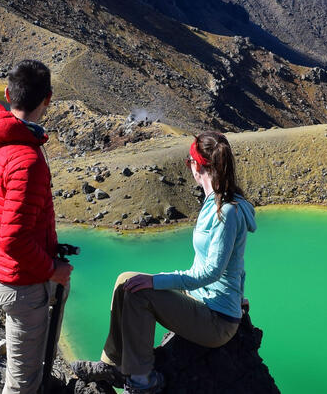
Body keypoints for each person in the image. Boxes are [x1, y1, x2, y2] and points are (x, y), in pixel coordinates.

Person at [71, 131, 257, 393]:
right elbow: (236, 261)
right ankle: (113, 363)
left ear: (196, 165)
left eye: (188, 162)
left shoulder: (226, 211)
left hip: (218, 320)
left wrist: (156, 281)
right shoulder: (214, 201)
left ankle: (142, 380)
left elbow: (211, 272)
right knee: (126, 280)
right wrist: (238, 294)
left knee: (140, 294)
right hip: (202, 299)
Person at [0, 59, 73, 394]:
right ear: (48, 99)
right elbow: (14, 240)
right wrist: (51, 269)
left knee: (29, 356)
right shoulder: (27, 161)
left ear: (6, 93)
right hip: (21, 282)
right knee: (21, 386)